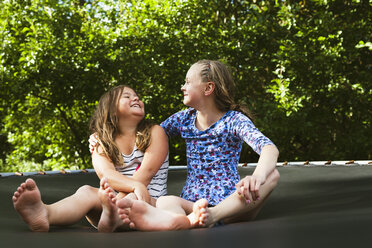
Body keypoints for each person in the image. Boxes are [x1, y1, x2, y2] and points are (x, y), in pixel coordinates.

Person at [115, 60, 280, 231]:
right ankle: (181, 220)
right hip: (192, 205)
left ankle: (212, 215)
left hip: (231, 205)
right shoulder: (184, 119)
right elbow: (146, 138)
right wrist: (104, 138)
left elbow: (269, 148)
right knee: (166, 201)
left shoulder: (234, 120)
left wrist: (257, 176)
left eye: (187, 82)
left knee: (271, 175)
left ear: (208, 88)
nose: (182, 87)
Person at [12, 85, 169, 232]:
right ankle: (45, 213)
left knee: (134, 195)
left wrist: (119, 202)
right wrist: (113, 204)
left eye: (137, 96)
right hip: (109, 209)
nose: (136, 99)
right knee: (86, 191)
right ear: (112, 110)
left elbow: (146, 174)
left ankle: (113, 217)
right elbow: (106, 175)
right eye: (127, 96)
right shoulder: (101, 141)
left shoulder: (155, 132)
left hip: (149, 205)